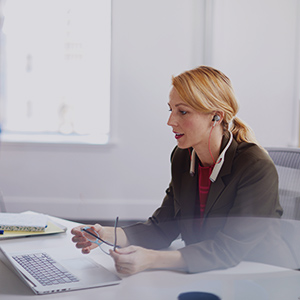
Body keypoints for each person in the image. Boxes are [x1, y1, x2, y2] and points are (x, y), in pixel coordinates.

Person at [71, 66, 292, 275]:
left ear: (216, 116)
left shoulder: (255, 166)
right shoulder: (183, 157)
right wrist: (105, 234)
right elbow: (163, 227)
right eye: (171, 110)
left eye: (183, 112)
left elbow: (228, 249)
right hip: (208, 273)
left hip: (262, 274)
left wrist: (151, 259)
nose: (170, 121)